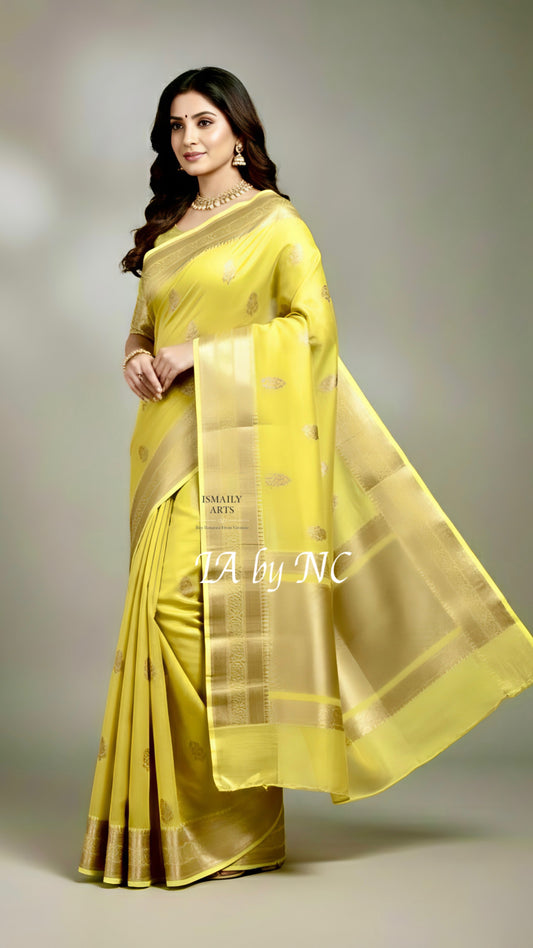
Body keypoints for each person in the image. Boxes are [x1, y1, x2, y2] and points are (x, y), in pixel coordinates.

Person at [77, 66, 533, 889]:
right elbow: (143, 330)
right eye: (176, 125)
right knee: (165, 614)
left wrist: (198, 355)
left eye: (204, 121)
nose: (188, 138)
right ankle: (189, 827)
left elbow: (310, 331)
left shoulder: (276, 224)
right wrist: (139, 359)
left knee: (206, 614)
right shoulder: (170, 230)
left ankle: (237, 825)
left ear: (237, 132)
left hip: (240, 448)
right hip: (166, 446)